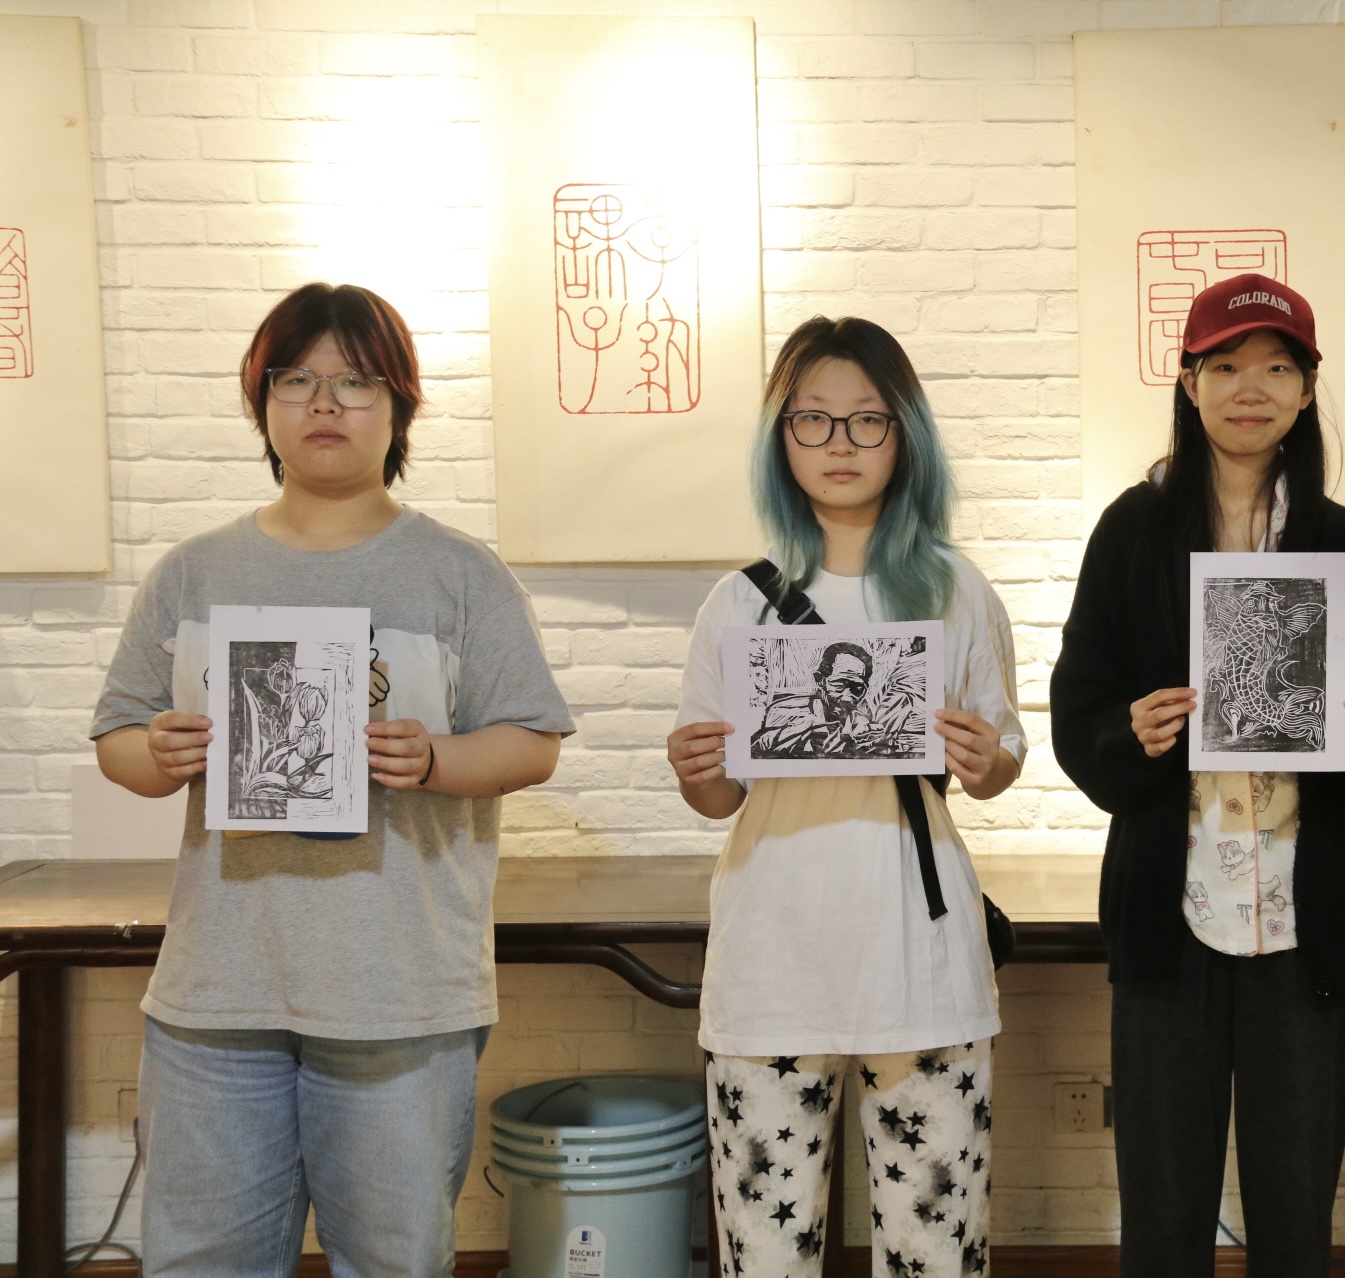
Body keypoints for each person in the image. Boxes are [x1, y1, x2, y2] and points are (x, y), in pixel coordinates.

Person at [91, 283, 573, 1274]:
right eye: (295, 379)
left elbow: (533, 741)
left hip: (402, 987)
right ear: (262, 404)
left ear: (399, 407)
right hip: (217, 990)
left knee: (394, 1258)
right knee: (202, 1259)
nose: (323, 403)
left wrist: (433, 759)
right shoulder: (192, 573)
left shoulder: (459, 573)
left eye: (355, 381)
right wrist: (161, 752)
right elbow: (118, 740)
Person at [1050, 274, 1345, 1277]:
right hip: (1172, 908)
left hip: (1306, 915)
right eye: (1225, 366)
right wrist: (1129, 734)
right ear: (1188, 381)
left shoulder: (1336, 538)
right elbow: (1079, 711)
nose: (1250, 388)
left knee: (1294, 1208)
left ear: (1306, 390)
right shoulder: (1133, 530)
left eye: (1277, 368)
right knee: (1163, 1207)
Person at [667, 316, 1024, 1278]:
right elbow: (718, 796)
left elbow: (999, 763)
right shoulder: (739, 600)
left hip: (920, 959)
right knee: (765, 1258)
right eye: (812, 419)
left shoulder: (954, 590)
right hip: (771, 959)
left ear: (905, 434)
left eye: (867, 420)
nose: (839, 444)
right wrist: (699, 771)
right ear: (780, 437)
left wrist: (984, 759)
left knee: (934, 1255)